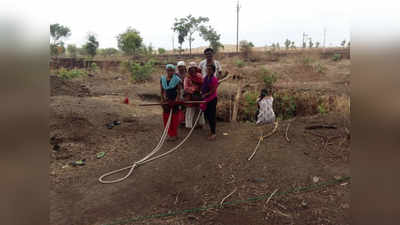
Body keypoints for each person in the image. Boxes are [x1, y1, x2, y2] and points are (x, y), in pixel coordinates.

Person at [160, 64, 182, 141]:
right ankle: (170, 134)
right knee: (166, 118)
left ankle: (175, 134)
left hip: (174, 101)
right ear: (166, 71)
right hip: (166, 100)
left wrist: (177, 99)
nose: (170, 72)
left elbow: (179, 91)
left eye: (172, 70)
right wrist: (162, 99)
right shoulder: (162, 79)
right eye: (168, 70)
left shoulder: (177, 80)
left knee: (174, 118)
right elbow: (162, 91)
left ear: (174, 71)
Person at [184, 62, 205, 129]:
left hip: (198, 96)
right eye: (191, 69)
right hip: (190, 96)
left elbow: (203, 85)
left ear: (196, 69)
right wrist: (193, 89)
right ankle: (189, 125)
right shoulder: (187, 78)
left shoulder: (199, 76)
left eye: (194, 69)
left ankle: (200, 124)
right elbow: (185, 88)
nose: (193, 70)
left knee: (199, 110)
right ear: (189, 70)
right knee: (190, 110)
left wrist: (200, 90)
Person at [200, 63, 219, 140]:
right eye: (207, 69)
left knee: (212, 116)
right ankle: (211, 131)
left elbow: (213, 90)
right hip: (206, 99)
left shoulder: (214, 79)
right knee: (207, 115)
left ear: (213, 71)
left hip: (212, 99)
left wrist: (205, 95)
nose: (208, 70)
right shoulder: (205, 78)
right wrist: (202, 93)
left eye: (210, 69)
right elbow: (203, 86)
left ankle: (213, 133)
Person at [176, 61, 187, 126]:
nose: (180, 68)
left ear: (184, 67)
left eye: (182, 67)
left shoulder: (187, 74)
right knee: (179, 106)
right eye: (179, 67)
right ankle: (180, 120)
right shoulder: (176, 74)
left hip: (186, 91)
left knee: (185, 106)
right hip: (178, 91)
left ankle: (184, 120)